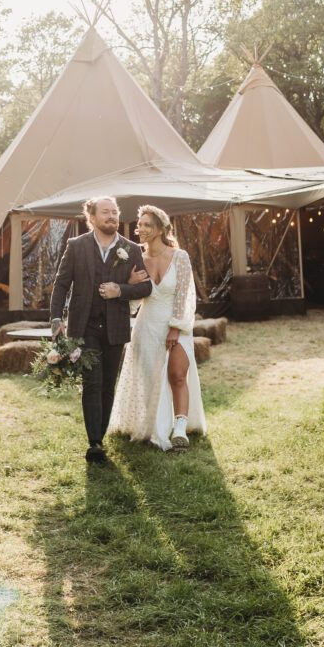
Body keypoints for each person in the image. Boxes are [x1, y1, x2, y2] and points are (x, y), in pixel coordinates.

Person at [49, 196, 153, 463]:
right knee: (92, 383)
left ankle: (100, 436)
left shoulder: (130, 248)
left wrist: (121, 290)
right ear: (92, 217)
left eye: (115, 212)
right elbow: (61, 285)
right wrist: (56, 320)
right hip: (84, 327)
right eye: (105, 212)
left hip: (116, 327)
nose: (112, 216)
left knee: (108, 386)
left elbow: (145, 287)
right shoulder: (76, 246)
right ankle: (94, 443)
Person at [107, 204, 206, 450]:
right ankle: (152, 425)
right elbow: (132, 305)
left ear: (161, 228)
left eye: (147, 224)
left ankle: (180, 429)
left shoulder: (180, 257)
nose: (140, 229)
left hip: (176, 324)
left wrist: (176, 327)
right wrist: (129, 283)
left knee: (177, 375)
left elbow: (185, 294)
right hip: (146, 326)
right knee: (149, 378)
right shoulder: (136, 259)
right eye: (139, 224)